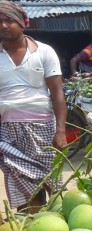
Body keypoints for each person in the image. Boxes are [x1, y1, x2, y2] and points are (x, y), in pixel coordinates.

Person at [0, 1, 66, 210]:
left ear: (23, 22)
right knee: (20, 180)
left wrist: (61, 130)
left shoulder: (44, 52)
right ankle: (33, 228)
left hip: (43, 128)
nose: (3, 25)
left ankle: (53, 225)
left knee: (50, 182)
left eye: (9, 20)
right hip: (8, 130)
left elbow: (57, 93)